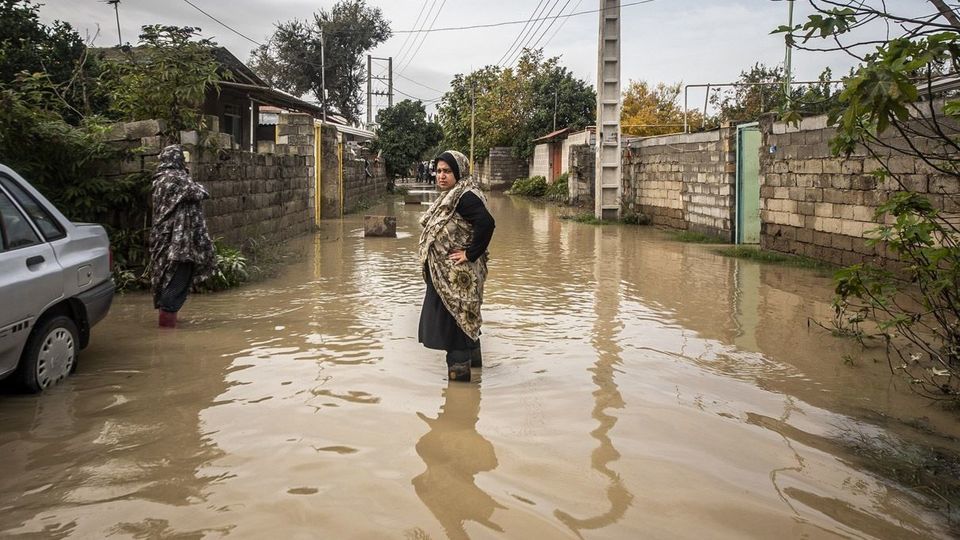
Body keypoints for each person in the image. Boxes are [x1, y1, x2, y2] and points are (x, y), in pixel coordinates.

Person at [418, 150, 495, 381]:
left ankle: (460, 388)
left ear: (458, 172)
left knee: (455, 326)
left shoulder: (464, 196)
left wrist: (470, 254)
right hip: (448, 276)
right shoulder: (455, 194)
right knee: (465, 320)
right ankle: (476, 375)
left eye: (447, 171)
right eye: (439, 171)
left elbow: (487, 224)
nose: (441, 176)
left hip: (455, 279)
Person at [149, 144, 216, 328]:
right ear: (178, 160)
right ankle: (166, 336)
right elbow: (201, 192)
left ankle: (167, 326)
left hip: (162, 239)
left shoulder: (159, 179)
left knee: (166, 280)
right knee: (175, 285)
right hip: (178, 243)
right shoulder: (177, 179)